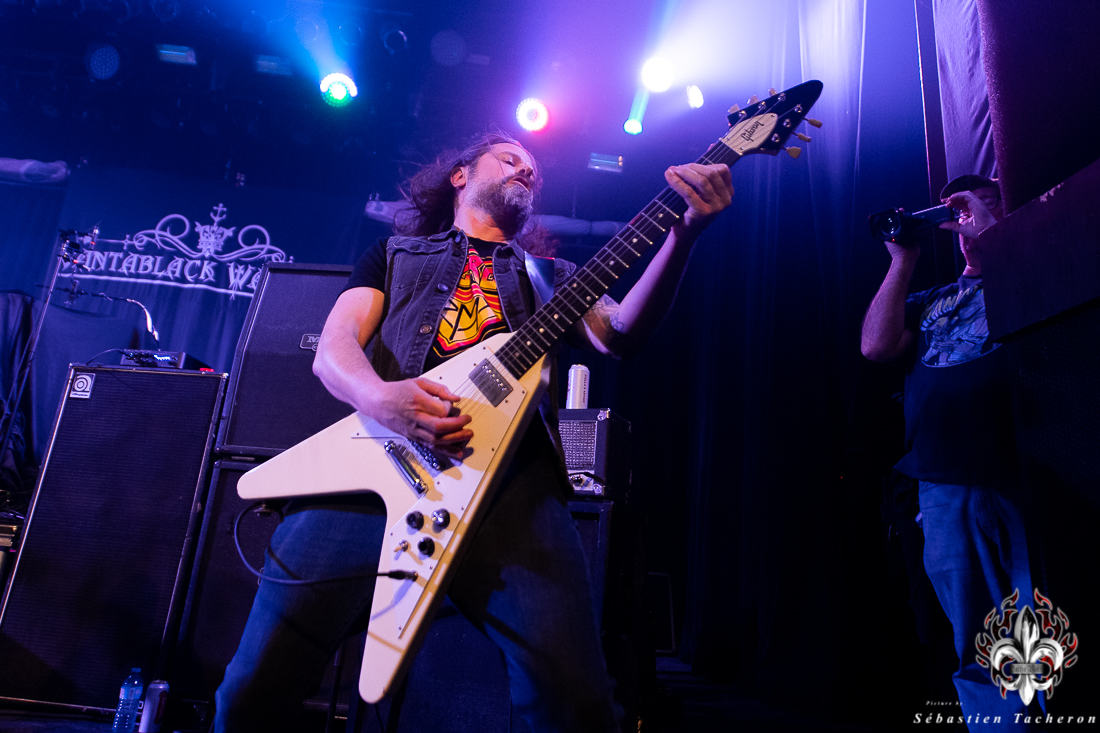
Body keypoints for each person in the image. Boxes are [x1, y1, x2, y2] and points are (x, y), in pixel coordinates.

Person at [214, 132, 733, 732]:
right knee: (253, 692)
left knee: (577, 706)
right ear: (460, 175)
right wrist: (380, 397)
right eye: (509, 159)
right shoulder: (395, 254)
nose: (526, 171)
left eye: (533, 170)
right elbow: (334, 349)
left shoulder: (552, 277)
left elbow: (620, 334)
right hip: (376, 471)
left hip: (516, 487)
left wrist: (682, 236)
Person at [861, 175, 1037, 728]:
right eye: (960, 211)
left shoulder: (1030, 268)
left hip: (1020, 475)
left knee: (1041, 633)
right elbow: (875, 345)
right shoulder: (934, 300)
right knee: (979, 643)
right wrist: (903, 260)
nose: (968, 218)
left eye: (985, 204)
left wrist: (995, 235)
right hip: (942, 485)